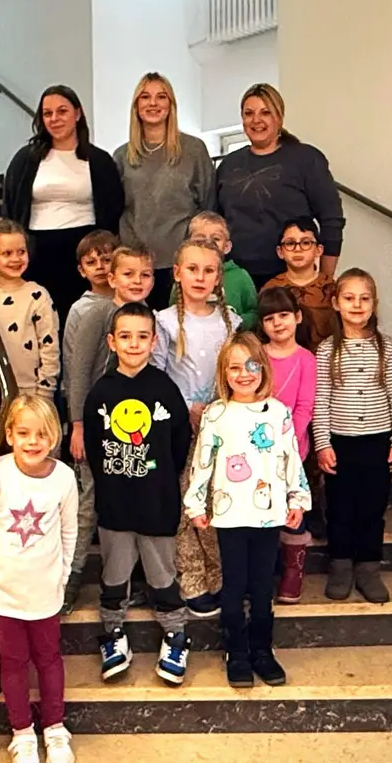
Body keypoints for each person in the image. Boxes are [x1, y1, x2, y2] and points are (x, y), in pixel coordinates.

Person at [185, 332, 311, 688]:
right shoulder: (216, 414)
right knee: (234, 585)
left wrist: (297, 499)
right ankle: (236, 652)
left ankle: (262, 651)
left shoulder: (278, 412)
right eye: (234, 367)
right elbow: (202, 463)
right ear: (224, 372)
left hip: (268, 514)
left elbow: (291, 461)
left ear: (263, 368)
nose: (244, 374)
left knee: (260, 587)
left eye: (251, 365)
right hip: (229, 515)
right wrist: (196, 503)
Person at [0, 395, 79, 763]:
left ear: (54, 437)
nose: (33, 441)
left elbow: (69, 531)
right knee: (12, 662)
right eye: (24, 432)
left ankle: (55, 728)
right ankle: (22, 731)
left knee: (48, 658)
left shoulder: (64, 477)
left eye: (41, 434)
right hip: (4, 589)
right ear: (10, 435)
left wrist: (62, 575)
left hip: (44, 590)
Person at [82, 302, 194, 685]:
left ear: (153, 340)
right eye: (125, 337)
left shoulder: (164, 389)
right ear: (112, 342)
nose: (134, 344)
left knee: (163, 575)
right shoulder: (101, 393)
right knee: (114, 575)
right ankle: (113, 636)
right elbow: (96, 451)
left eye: (142, 336)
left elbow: (180, 442)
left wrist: (160, 479)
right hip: (115, 505)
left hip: (157, 504)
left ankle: (176, 636)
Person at [60, 245, 157, 609]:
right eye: (128, 274)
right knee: (88, 503)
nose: (137, 281)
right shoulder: (99, 313)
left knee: (135, 500)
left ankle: (138, 577)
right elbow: (80, 371)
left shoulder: (147, 317)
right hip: (96, 426)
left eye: (144, 274)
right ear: (112, 278)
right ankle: (70, 578)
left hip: (135, 429)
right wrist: (79, 426)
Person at [152, 238, 239, 619]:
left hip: (220, 425)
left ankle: (221, 575)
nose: (200, 277)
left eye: (208, 270)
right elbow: (156, 376)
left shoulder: (230, 320)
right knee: (188, 503)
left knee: (217, 501)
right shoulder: (165, 321)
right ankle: (192, 577)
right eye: (192, 269)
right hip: (180, 426)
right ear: (177, 273)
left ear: (219, 276)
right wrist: (185, 408)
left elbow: (238, 370)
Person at [313, 270, 392, 603]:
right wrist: (322, 443)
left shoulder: (387, 348)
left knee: (372, 508)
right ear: (336, 304)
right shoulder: (327, 351)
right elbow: (320, 400)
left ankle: (368, 567)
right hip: (341, 443)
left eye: (364, 298)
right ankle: (340, 565)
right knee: (339, 508)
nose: (357, 304)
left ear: (373, 304)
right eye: (349, 298)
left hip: (378, 442)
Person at [1, 85, 125, 329]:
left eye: (62, 111)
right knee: (41, 321)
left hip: (85, 251)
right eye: (47, 113)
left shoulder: (99, 160)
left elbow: (113, 209)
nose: (54, 119)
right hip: (38, 249)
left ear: (77, 114)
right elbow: (10, 208)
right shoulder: (25, 159)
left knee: (81, 323)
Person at [214, 83, 345, 288]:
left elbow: (332, 220)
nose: (256, 120)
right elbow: (216, 224)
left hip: (292, 278)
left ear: (279, 117)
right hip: (237, 278)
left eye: (265, 112)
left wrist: (325, 281)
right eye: (249, 113)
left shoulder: (306, 159)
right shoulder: (228, 165)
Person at [113, 73, 216, 309]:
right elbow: (114, 210)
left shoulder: (193, 150)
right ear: (136, 105)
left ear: (171, 105)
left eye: (161, 97)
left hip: (181, 264)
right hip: (135, 267)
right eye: (145, 97)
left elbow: (209, 207)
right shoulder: (121, 156)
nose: (153, 103)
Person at [256, 286, 317, 603]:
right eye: (269, 318)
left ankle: (293, 571)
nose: (277, 323)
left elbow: (305, 406)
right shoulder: (257, 356)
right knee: (262, 508)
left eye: (283, 315)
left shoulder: (307, 359)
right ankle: (263, 573)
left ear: (297, 317)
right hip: (255, 450)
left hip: (293, 450)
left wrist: (286, 442)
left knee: (294, 510)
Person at [0, 220, 60, 416]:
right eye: (7, 253)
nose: (16, 259)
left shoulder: (38, 295)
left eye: (21, 252)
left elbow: (49, 348)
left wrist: (44, 394)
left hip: (31, 392)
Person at [262, 217, 337, 349]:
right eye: (290, 243)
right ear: (280, 252)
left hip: (326, 361)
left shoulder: (333, 289)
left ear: (319, 250)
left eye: (306, 242)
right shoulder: (271, 288)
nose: (298, 249)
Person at [186, 212, 258, 330]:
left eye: (216, 239)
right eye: (200, 239)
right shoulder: (186, 276)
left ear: (227, 247)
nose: (208, 243)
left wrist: (236, 324)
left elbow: (254, 312)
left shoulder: (240, 276)